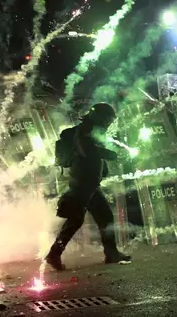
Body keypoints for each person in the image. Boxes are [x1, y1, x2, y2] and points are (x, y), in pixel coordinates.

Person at [45, 103, 131, 270]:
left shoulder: (90, 129)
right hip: (83, 182)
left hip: (88, 182)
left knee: (99, 217)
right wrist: (109, 154)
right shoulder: (85, 130)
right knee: (78, 219)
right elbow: (86, 151)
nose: (108, 123)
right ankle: (54, 254)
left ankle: (109, 252)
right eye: (107, 119)